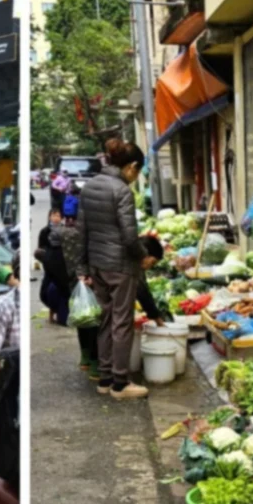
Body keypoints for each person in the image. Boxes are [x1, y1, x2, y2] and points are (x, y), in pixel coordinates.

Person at [77, 137, 148, 401]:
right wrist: (141, 256)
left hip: (97, 264)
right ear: (130, 167)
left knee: (105, 320)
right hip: (119, 265)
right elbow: (130, 237)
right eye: (137, 171)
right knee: (122, 322)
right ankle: (120, 383)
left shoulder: (90, 186)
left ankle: (104, 378)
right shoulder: (122, 191)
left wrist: (82, 266)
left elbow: (81, 231)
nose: (135, 176)